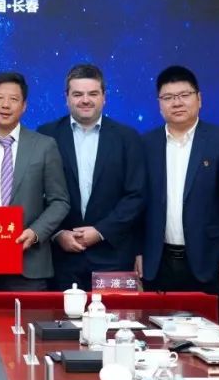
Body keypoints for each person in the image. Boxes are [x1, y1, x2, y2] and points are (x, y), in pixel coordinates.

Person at [138, 65, 219, 313]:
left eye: (184, 95)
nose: (177, 103)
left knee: (205, 331)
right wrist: (138, 252)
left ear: (199, 98)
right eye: (168, 97)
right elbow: (138, 203)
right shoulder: (146, 144)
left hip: (207, 260)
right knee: (155, 330)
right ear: (159, 104)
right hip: (158, 261)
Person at [0, 72, 70, 291]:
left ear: (24, 106)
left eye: (14, 99)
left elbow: (60, 201)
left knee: (27, 316)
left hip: (28, 264)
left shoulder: (44, 146)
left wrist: (35, 233)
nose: (6, 105)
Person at [38, 64, 146, 290]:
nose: (85, 100)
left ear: (104, 97)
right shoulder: (46, 136)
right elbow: (36, 193)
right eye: (78, 94)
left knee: (113, 315)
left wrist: (100, 232)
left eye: (93, 94)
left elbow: (136, 196)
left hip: (113, 256)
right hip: (61, 257)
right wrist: (57, 234)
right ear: (66, 98)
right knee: (62, 314)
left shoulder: (128, 138)